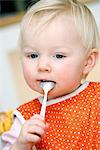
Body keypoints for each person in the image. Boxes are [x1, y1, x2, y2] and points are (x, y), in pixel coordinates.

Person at [1, 0, 100, 149]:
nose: (42, 66)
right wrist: (21, 144)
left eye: (58, 56)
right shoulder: (24, 119)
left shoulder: (97, 97)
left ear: (87, 62)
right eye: (33, 55)